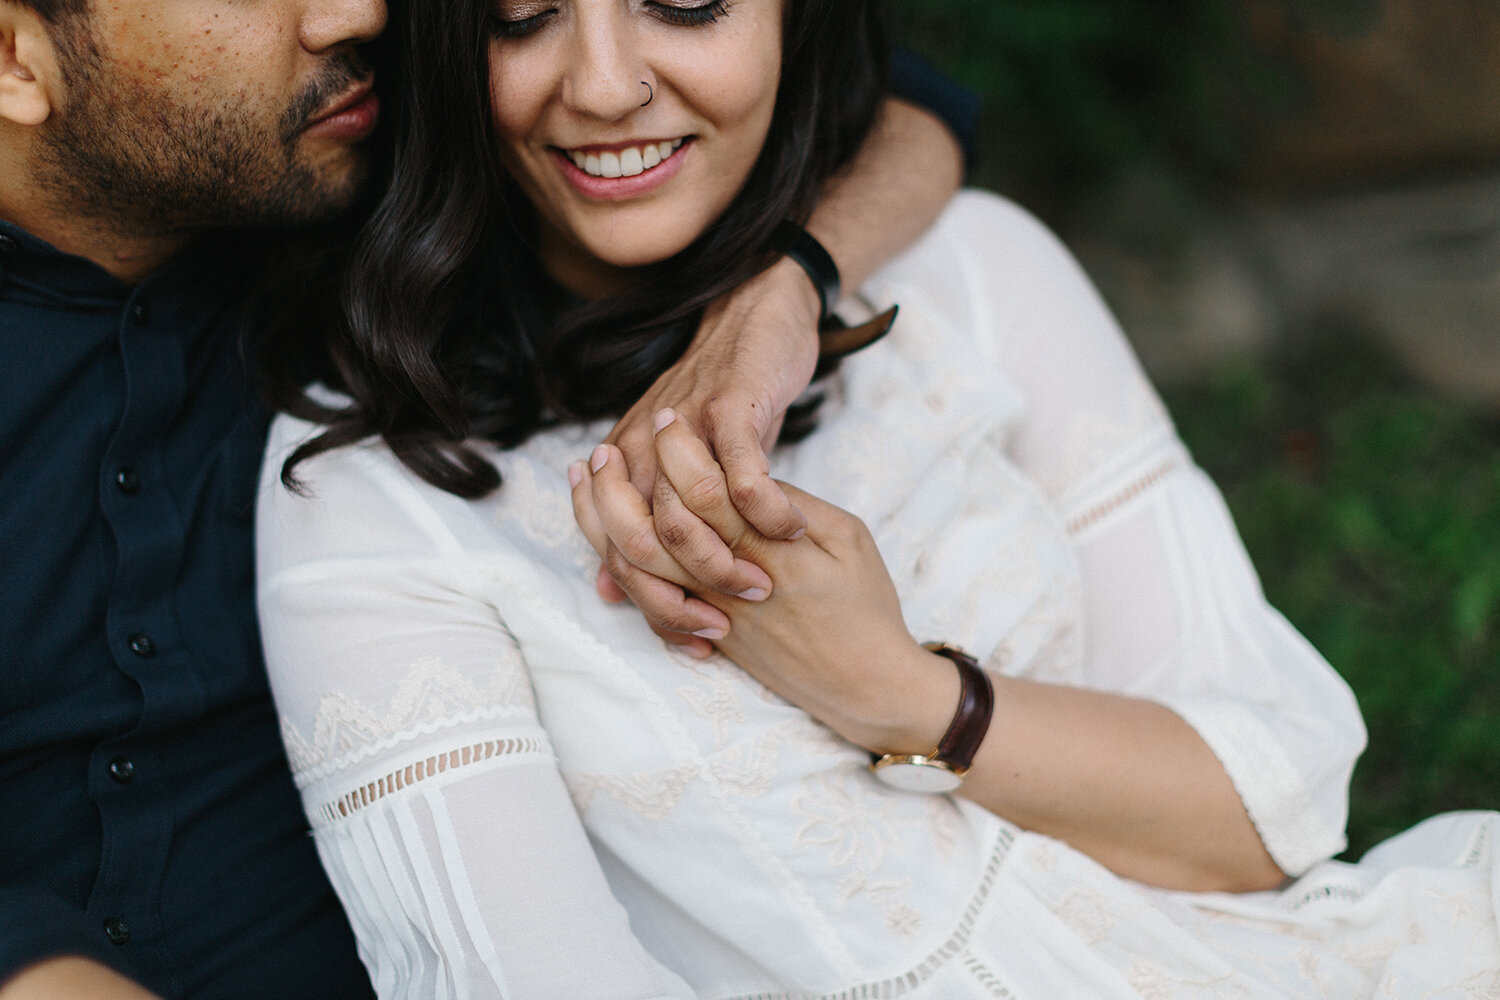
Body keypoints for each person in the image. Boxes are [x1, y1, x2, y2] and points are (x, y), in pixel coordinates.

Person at [255, 0, 1500, 996]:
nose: (601, 83)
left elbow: (1271, 804)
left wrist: (892, 688)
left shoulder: (974, 267)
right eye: (519, 17)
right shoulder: (369, 489)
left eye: (685, 3)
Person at [0, 0, 969, 994]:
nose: (357, 12)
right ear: (14, 60)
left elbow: (889, 104)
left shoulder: (357, 176)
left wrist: (784, 289)